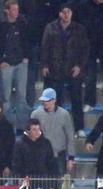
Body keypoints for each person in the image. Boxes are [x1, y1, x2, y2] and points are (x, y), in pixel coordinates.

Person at [41, 3, 90, 137]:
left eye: (69, 12)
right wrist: (45, 64)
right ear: (60, 13)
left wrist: (79, 66)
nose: (66, 14)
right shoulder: (50, 28)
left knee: (76, 99)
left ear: (72, 13)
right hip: (55, 68)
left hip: (73, 68)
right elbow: (45, 47)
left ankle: (79, 127)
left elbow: (85, 50)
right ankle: (57, 127)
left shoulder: (79, 29)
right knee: (57, 100)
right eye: (64, 12)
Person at [0, 0, 30, 129]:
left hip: (20, 64)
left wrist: (26, 57)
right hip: (6, 64)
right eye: (13, 10)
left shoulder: (22, 23)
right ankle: (7, 126)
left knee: (21, 95)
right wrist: (0, 61)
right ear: (6, 10)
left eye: (17, 10)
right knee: (6, 97)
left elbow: (28, 40)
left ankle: (22, 126)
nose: (16, 12)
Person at [30, 88, 75, 177]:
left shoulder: (64, 114)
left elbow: (70, 136)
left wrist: (71, 158)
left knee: (58, 184)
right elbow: (30, 135)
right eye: (43, 100)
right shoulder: (35, 114)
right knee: (41, 184)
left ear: (54, 100)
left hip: (59, 155)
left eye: (47, 100)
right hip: (40, 155)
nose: (45, 102)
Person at [12, 118, 57, 189]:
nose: (37, 132)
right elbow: (16, 165)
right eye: (34, 129)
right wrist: (18, 186)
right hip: (27, 183)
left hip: (43, 182)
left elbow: (52, 165)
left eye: (38, 129)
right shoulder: (20, 144)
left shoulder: (46, 143)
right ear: (28, 131)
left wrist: (52, 185)